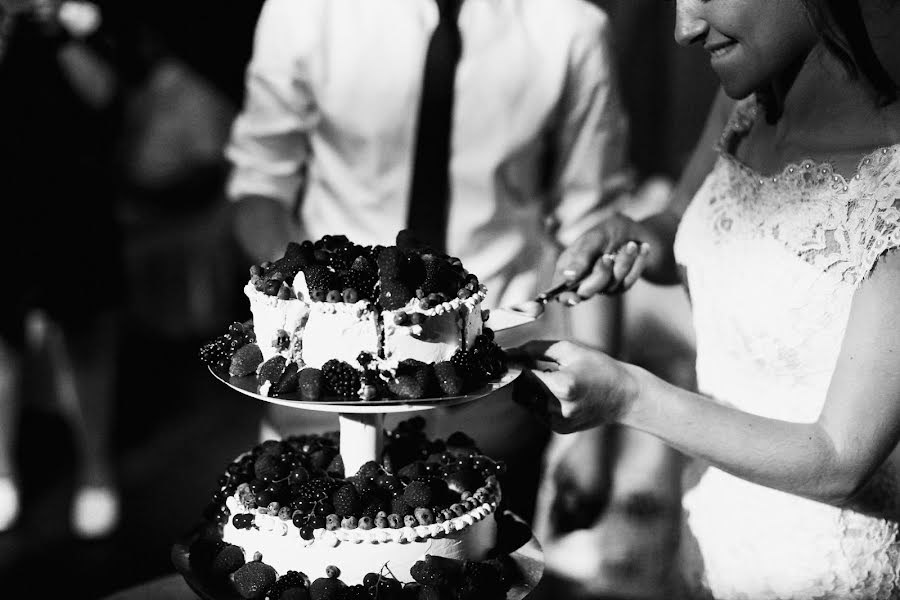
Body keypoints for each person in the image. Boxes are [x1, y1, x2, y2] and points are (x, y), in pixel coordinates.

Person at [512, 0, 900, 597]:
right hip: (714, 540)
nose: (683, 28)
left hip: (832, 572)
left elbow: (841, 459)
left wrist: (626, 395)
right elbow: (684, 225)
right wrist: (638, 238)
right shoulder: (743, 103)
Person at [225, 0, 638, 521]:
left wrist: (595, 441)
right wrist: (315, 314)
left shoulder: (570, 26)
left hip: (494, 376)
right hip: (324, 377)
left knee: (474, 568)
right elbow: (260, 184)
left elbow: (591, 220)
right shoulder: (307, 11)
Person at [0, 0, 162, 538]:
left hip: (75, 196)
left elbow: (108, 94)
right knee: (1, 347)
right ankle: (2, 471)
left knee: (88, 336)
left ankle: (96, 471)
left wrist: (56, 24)